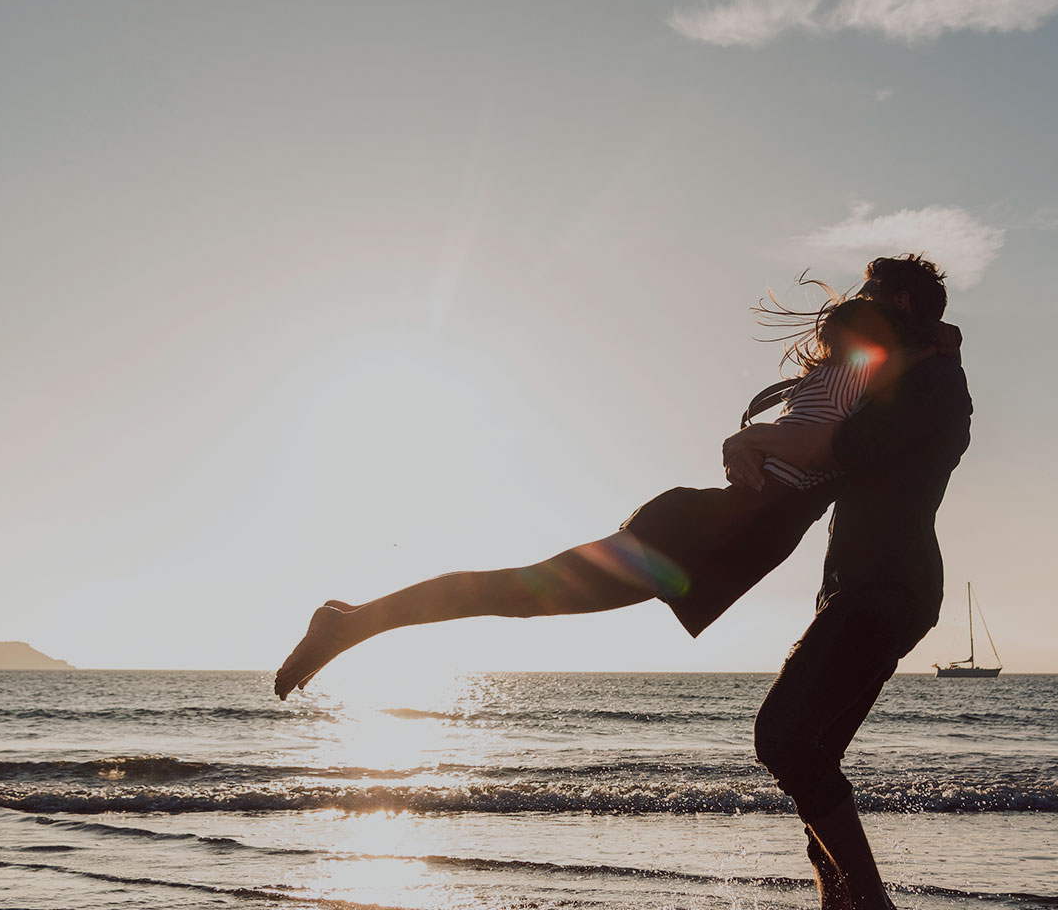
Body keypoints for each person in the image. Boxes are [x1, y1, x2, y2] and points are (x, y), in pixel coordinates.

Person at [272, 279, 909, 701]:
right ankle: (350, 622)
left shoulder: (839, 375)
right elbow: (825, 448)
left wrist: (749, 442)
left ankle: (352, 622)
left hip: (717, 527)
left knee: (516, 592)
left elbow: (805, 442)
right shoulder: (862, 370)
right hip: (713, 529)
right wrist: (754, 444)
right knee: (516, 592)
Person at [721, 254, 972, 910]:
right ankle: (837, 901)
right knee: (814, 751)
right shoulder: (898, 373)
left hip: (891, 586)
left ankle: (869, 903)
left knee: (781, 736)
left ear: (905, 305)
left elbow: (838, 448)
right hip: (858, 587)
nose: (855, 306)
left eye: (869, 295)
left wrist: (754, 442)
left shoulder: (935, 385)